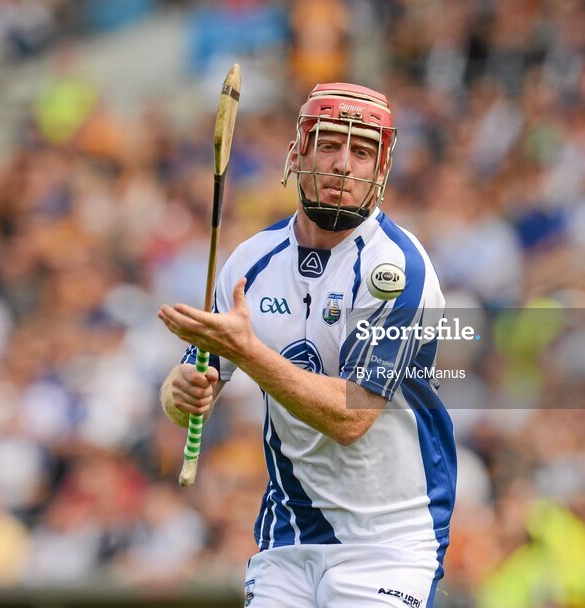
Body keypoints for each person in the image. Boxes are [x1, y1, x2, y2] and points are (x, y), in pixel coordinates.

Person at [158, 83, 456, 607]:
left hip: (388, 544)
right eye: (329, 145)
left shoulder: (399, 270)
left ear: (380, 170)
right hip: (289, 534)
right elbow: (183, 399)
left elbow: (351, 417)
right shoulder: (251, 261)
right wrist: (182, 394)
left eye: (361, 152)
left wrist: (248, 353)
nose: (343, 165)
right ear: (298, 153)